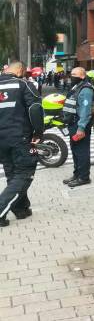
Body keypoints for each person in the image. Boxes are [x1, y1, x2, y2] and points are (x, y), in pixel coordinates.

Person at [0, 61, 44, 227]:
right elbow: (35, 109)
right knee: (24, 174)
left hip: (1, 140)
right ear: (19, 70)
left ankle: (21, 209)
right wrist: (38, 133)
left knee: (13, 174)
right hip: (20, 138)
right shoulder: (23, 84)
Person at [61, 67, 94, 188]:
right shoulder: (77, 86)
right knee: (75, 150)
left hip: (80, 124)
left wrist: (81, 128)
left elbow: (85, 111)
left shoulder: (86, 89)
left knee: (82, 151)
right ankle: (77, 174)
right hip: (73, 124)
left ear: (82, 76)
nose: (71, 76)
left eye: (74, 74)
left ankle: (84, 177)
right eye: (71, 74)